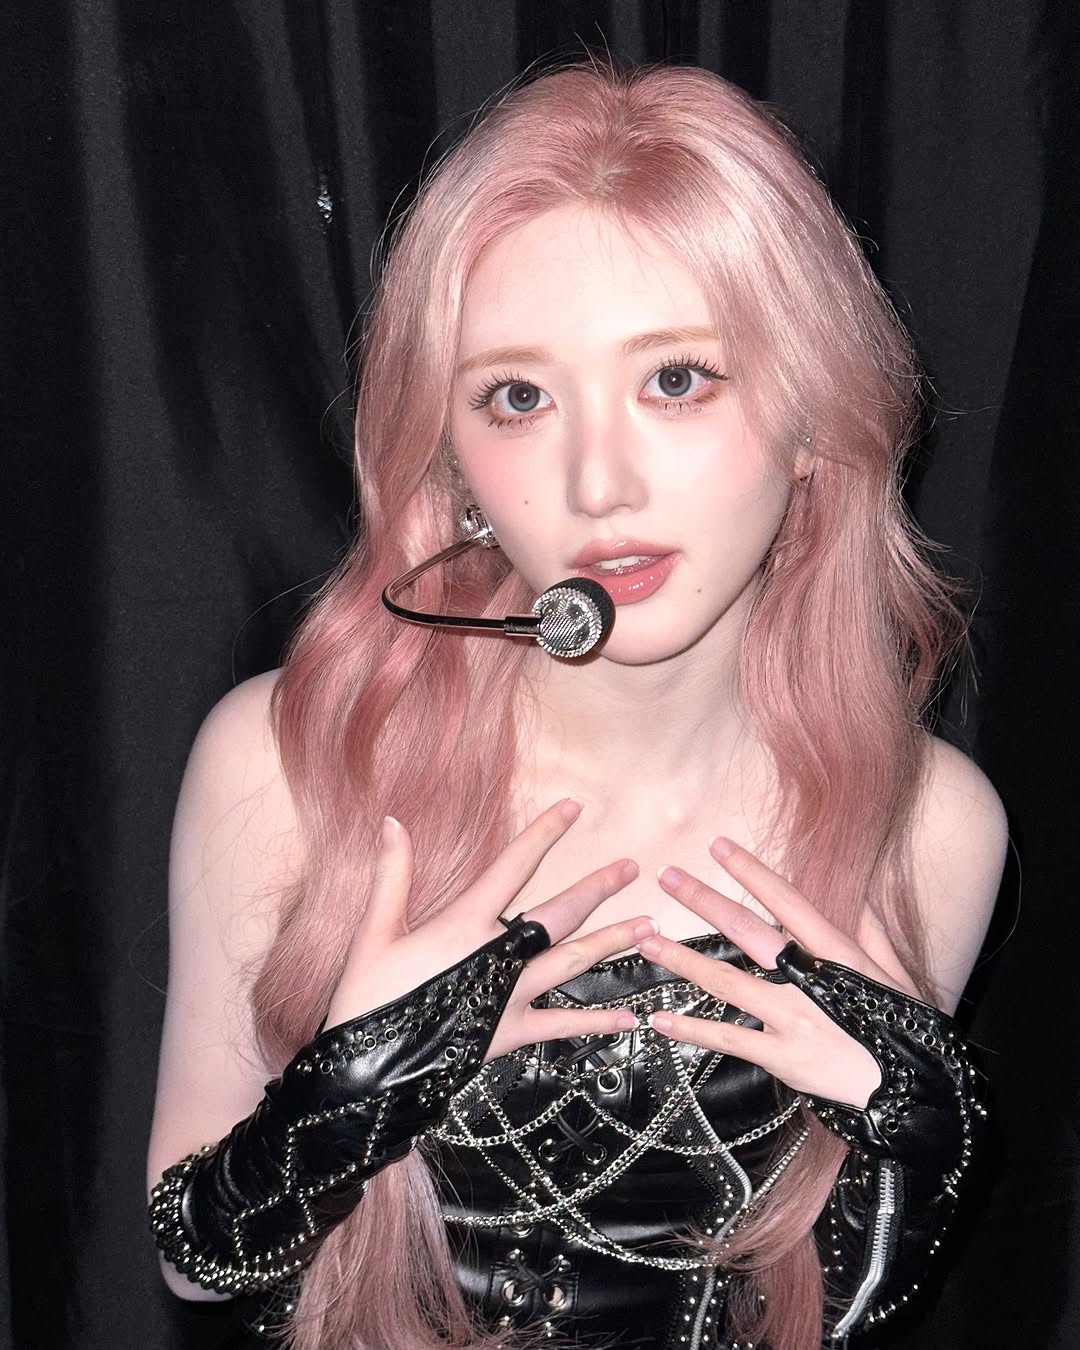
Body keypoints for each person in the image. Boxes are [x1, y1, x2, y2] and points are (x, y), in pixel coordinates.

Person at [146, 62, 1008, 1350]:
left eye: (678, 379)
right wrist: (343, 1102)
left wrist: (919, 1154)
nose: (599, 483)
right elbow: (190, 1266)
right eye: (519, 398)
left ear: (811, 419)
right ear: (455, 459)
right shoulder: (287, 765)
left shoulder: (929, 825)